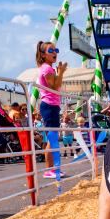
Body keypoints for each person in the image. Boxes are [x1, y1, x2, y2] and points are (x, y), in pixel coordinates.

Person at [34, 40, 67, 178]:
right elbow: (54, 87)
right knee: (52, 138)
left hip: (52, 105)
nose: (55, 53)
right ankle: (49, 170)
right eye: (51, 51)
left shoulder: (49, 68)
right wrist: (61, 73)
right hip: (49, 105)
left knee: (52, 138)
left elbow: (55, 86)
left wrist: (59, 72)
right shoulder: (47, 68)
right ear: (43, 54)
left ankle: (52, 169)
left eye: (56, 50)